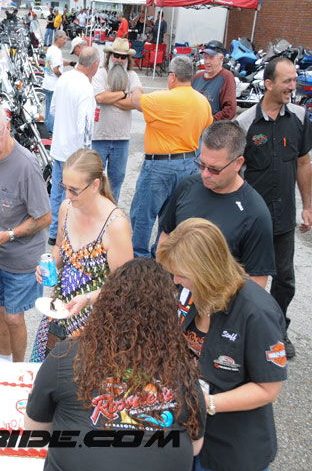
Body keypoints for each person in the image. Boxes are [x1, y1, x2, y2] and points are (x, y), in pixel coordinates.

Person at [25, 258, 206, 471]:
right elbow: (195, 446)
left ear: (107, 304)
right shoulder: (182, 367)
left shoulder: (66, 355)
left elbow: (34, 432)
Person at [157, 218, 287, 471]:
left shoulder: (257, 313)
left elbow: (268, 388)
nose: (175, 280)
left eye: (182, 274)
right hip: (187, 434)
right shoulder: (190, 293)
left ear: (207, 271)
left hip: (232, 447)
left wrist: (208, 403)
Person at [236, 56, 312, 359]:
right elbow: (234, 171)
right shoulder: (245, 123)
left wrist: (307, 206)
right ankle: (239, 329)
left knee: (285, 280)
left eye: (294, 80)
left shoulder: (300, 117)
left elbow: (303, 163)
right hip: (250, 220)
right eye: (287, 81)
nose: (293, 87)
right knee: (243, 277)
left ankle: (276, 330)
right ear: (268, 84)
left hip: (283, 218)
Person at [30, 148, 133, 362]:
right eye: (65, 187)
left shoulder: (115, 225)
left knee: (76, 376)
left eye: (74, 190)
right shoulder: (66, 208)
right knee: (43, 370)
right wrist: (50, 264)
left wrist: (87, 299)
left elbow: (124, 286)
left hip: (93, 322)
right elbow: (60, 248)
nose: (67, 196)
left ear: (95, 185)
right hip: (58, 310)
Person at [0, 102, 51, 362]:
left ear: (8, 127)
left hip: (21, 257)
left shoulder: (26, 165)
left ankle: (19, 371)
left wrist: (10, 234)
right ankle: (2, 363)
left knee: (14, 318)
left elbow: (44, 217)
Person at [159, 120, 275, 290]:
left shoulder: (255, 214)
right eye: (201, 165)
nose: (205, 174)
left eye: (215, 169)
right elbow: (166, 236)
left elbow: (256, 282)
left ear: (238, 163)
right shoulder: (187, 186)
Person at [129, 55, 213, 257]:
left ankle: (139, 258)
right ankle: (160, 256)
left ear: (173, 76)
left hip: (160, 166)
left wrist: (136, 87)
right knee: (171, 218)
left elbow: (135, 100)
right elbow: (206, 126)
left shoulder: (161, 99)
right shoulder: (203, 102)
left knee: (142, 215)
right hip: (189, 164)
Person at [48, 47, 99, 245]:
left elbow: (53, 109)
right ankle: (65, 236)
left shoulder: (64, 78)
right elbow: (84, 127)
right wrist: (86, 155)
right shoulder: (85, 87)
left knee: (57, 193)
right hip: (74, 152)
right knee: (72, 196)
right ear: (95, 65)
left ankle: (54, 233)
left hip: (59, 147)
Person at [92, 37, 143, 203]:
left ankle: (111, 211)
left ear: (128, 59)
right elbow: (99, 98)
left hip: (122, 139)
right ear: (110, 56)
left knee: (116, 182)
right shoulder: (101, 73)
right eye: (116, 56)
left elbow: (137, 101)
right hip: (99, 137)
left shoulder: (132, 75)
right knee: (94, 180)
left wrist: (111, 98)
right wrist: (124, 94)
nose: (119, 60)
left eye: (123, 57)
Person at [192, 40, 237, 121]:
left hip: (213, 127)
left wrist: (210, 122)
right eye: (205, 57)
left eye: (211, 58)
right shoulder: (197, 77)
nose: (207, 62)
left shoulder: (226, 77)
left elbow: (230, 110)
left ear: (221, 58)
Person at [42, 31, 69, 135]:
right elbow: (56, 70)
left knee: (48, 108)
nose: (65, 41)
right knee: (53, 110)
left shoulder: (50, 49)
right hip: (53, 85)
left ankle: (47, 130)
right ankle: (50, 132)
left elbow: (56, 63)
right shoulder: (57, 52)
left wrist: (69, 63)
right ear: (58, 38)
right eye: (64, 38)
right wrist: (63, 79)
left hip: (47, 83)